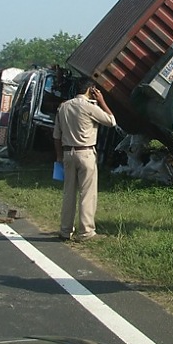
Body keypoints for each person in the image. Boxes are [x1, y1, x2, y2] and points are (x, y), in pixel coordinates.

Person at [53, 79, 116, 241]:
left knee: (69, 193)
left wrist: (59, 156)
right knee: (87, 193)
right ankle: (86, 232)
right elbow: (111, 121)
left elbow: (56, 136)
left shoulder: (63, 107)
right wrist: (101, 101)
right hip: (86, 152)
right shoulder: (89, 107)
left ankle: (65, 230)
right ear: (91, 90)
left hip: (68, 153)